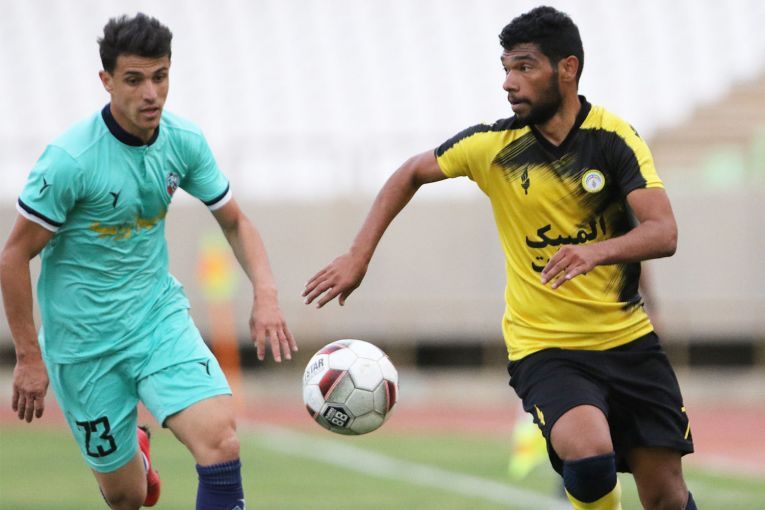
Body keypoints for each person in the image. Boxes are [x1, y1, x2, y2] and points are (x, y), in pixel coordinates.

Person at [303, 6, 695, 510]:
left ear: (567, 68)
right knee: (589, 455)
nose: (509, 82)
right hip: (546, 347)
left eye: (524, 67)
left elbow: (664, 232)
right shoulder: (492, 146)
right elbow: (411, 172)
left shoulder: (615, 139)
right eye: (506, 68)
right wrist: (358, 256)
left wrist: (595, 252)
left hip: (629, 342)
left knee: (666, 497)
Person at [0, 13, 297, 510]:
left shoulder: (183, 141)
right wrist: (29, 356)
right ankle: (135, 453)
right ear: (107, 80)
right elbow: (13, 255)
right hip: (83, 345)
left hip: (157, 321)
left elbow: (236, 222)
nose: (151, 94)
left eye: (160, 77)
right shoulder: (71, 160)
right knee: (127, 498)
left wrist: (266, 295)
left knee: (220, 441)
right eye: (135, 80)